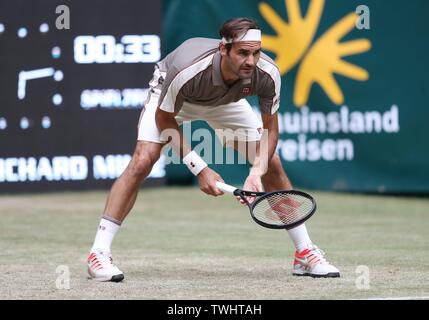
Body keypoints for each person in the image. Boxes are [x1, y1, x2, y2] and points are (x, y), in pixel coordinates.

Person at [87, 17, 340, 282]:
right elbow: (164, 120)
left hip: (228, 102)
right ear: (224, 49)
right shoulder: (189, 68)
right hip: (174, 100)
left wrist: (256, 173)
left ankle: (305, 254)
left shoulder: (267, 73)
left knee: (271, 164)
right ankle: (98, 253)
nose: (251, 61)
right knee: (143, 161)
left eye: (256, 52)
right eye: (243, 53)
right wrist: (200, 169)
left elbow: (271, 130)